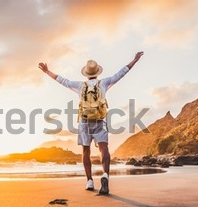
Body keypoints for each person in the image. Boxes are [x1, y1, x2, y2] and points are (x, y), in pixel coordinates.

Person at [38, 51, 144, 195]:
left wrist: (47, 71)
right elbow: (121, 74)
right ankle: (105, 175)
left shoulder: (80, 85)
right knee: (103, 149)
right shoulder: (104, 83)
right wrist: (134, 60)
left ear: (86, 73)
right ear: (97, 72)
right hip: (100, 120)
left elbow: (62, 80)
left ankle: (89, 181)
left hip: (84, 121)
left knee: (86, 151)